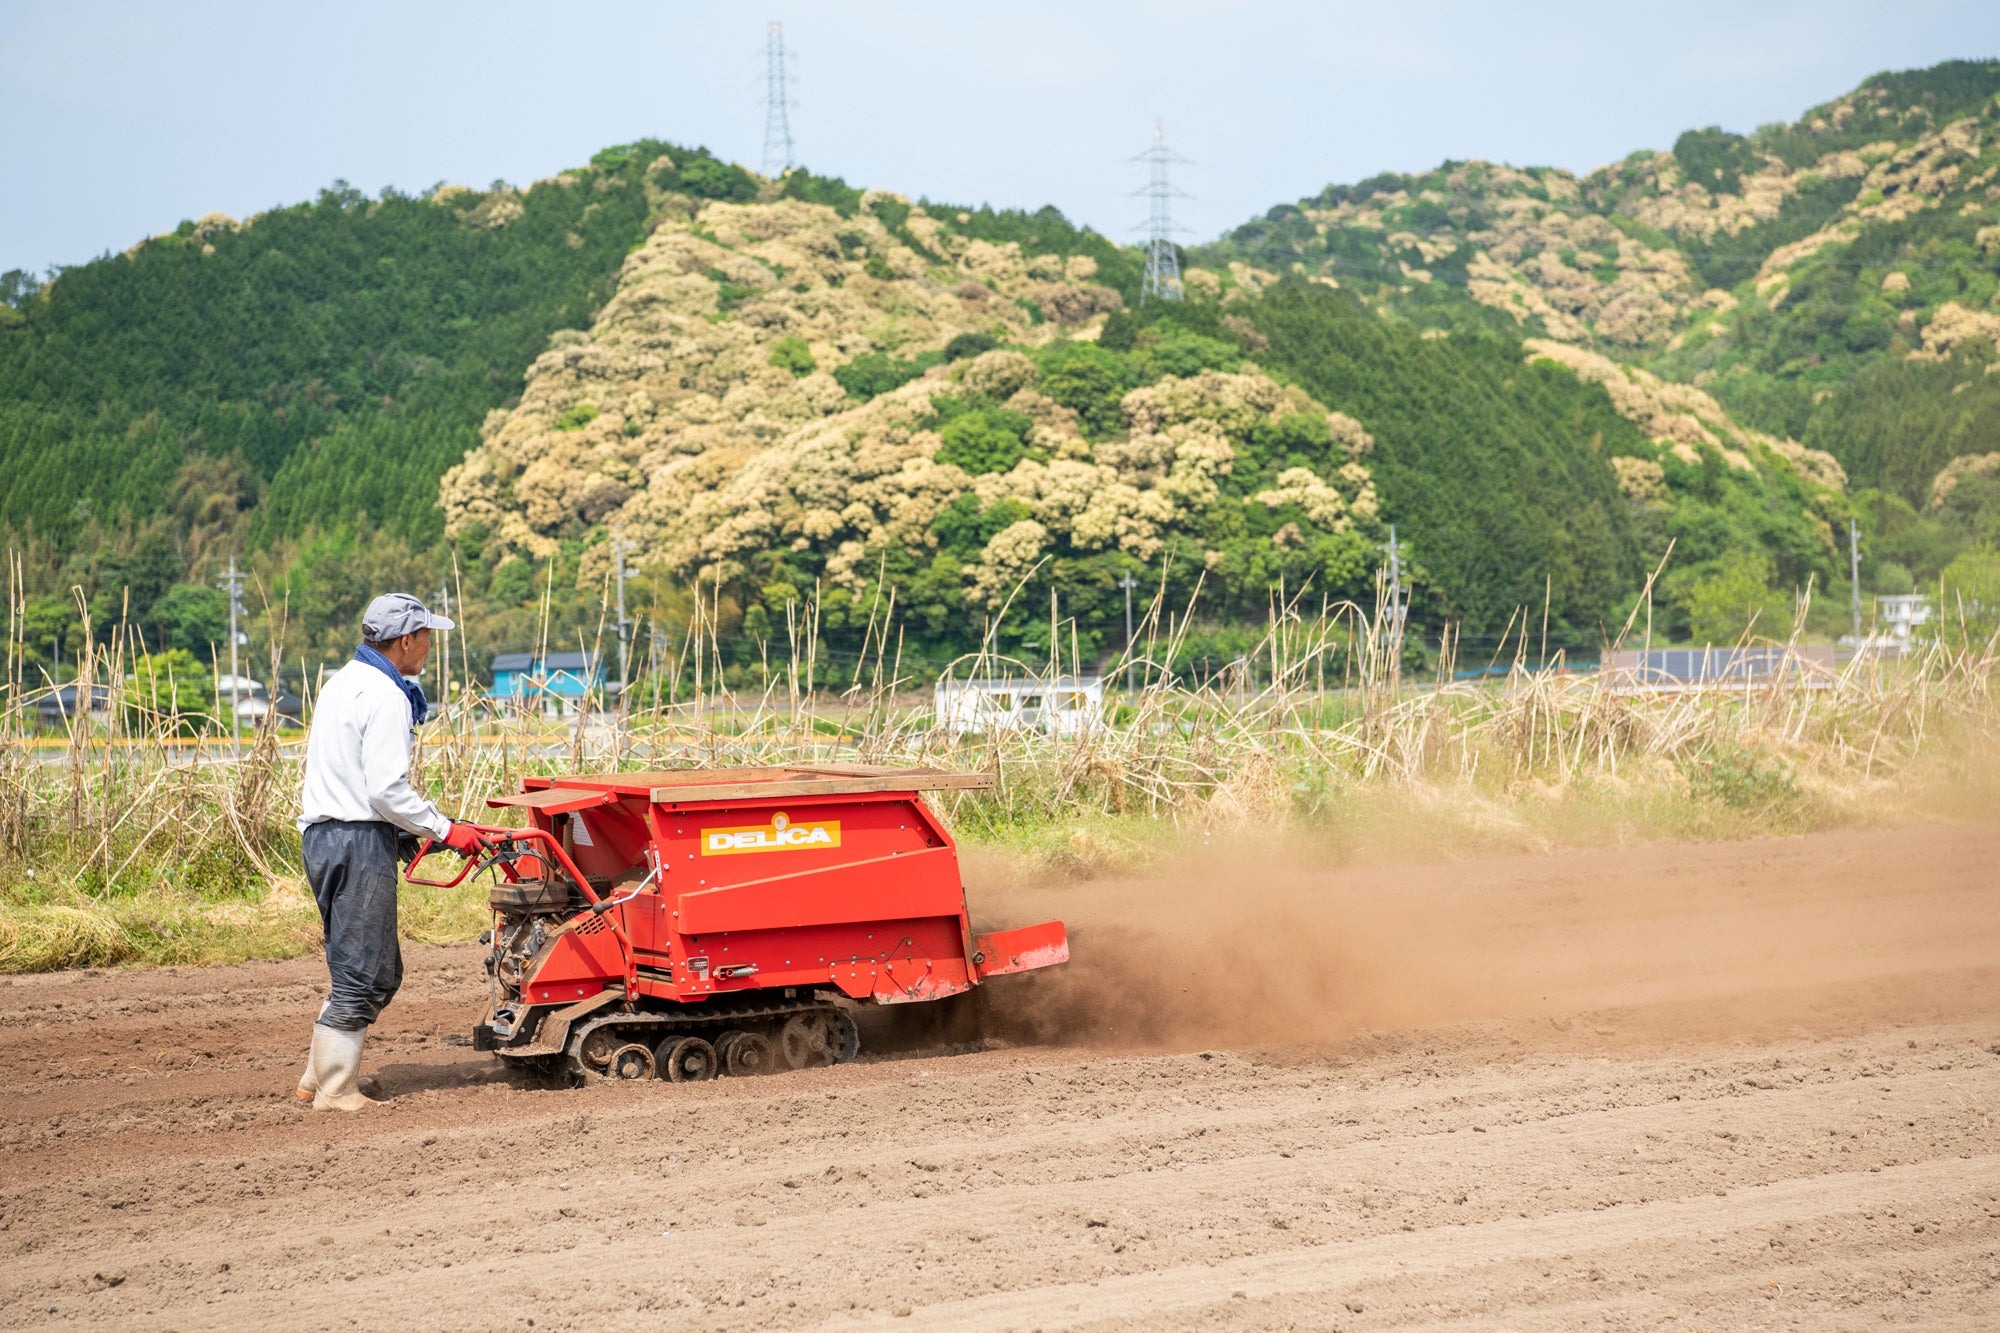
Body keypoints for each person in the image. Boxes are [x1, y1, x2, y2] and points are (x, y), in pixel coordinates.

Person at [294, 593, 483, 1111]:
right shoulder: (386, 694)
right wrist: (446, 829)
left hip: (326, 837)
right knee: (366, 972)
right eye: (426, 637)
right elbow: (384, 790)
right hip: (356, 840)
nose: (428, 647)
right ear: (405, 641)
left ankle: (317, 1076)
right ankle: (335, 1091)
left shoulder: (343, 681)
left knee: (367, 968)